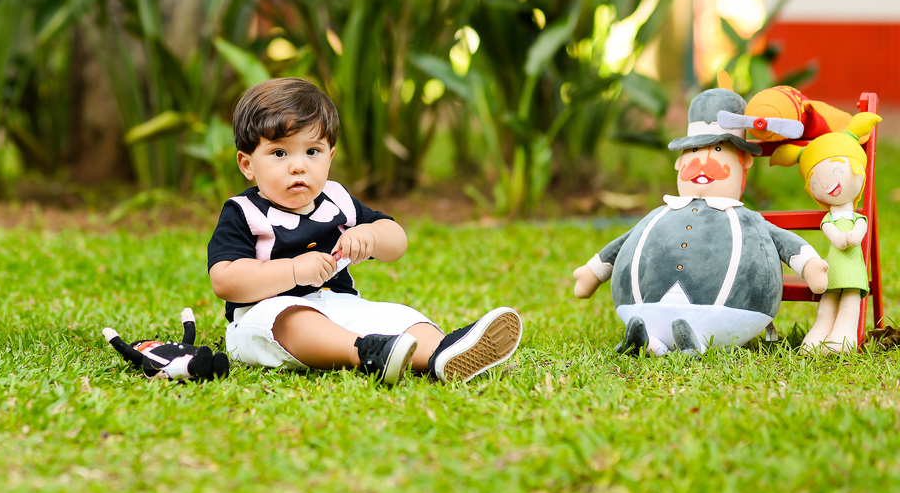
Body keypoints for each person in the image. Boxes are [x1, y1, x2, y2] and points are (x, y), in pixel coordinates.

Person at [208, 78, 522, 386]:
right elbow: (225, 280)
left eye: (312, 152)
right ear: (247, 164)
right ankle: (366, 352)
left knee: (395, 316)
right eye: (280, 153)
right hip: (264, 319)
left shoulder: (337, 200)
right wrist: (291, 270)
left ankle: (441, 353)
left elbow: (396, 240)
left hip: (342, 306)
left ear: (330, 157)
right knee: (294, 320)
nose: (298, 166)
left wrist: (371, 237)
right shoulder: (243, 212)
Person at [572, 86, 829, 355]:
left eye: (718, 149)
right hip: (641, 305)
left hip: (729, 309)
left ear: (744, 161)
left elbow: (783, 241)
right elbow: (623, 243)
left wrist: (809, 265)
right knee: (649, 317)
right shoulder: (658, 215)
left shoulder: (748, 222)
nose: (704, 162)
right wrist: (593, 271)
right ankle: (651, 342)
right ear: (679, 162)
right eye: (694, 150)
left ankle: (697, 341)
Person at [772, 112, 881, 352]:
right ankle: (815, 339)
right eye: (815, 180)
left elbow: (860, 228)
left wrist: (852, 237)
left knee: (851, 302)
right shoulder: (828, 219)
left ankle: (843, 340)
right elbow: (830, 230)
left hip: (853, 266)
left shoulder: (857, 217)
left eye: (837, 169)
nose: (828, 183)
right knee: (828, 303)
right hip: (834, 264)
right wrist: (841, 238)